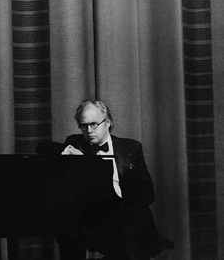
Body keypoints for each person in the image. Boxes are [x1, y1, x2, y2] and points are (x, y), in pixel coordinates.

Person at [57, 99, 171, 260]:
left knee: (135, 221)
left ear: (108, 122)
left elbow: (147, 194)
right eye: (84, 125)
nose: (89, 130)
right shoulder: (74, 144)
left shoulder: (131, 148)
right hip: (90, 216)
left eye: (94, 124)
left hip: (123, 214)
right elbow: (42, 147)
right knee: (67, 227)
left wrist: (124, 204)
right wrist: (79, 159)